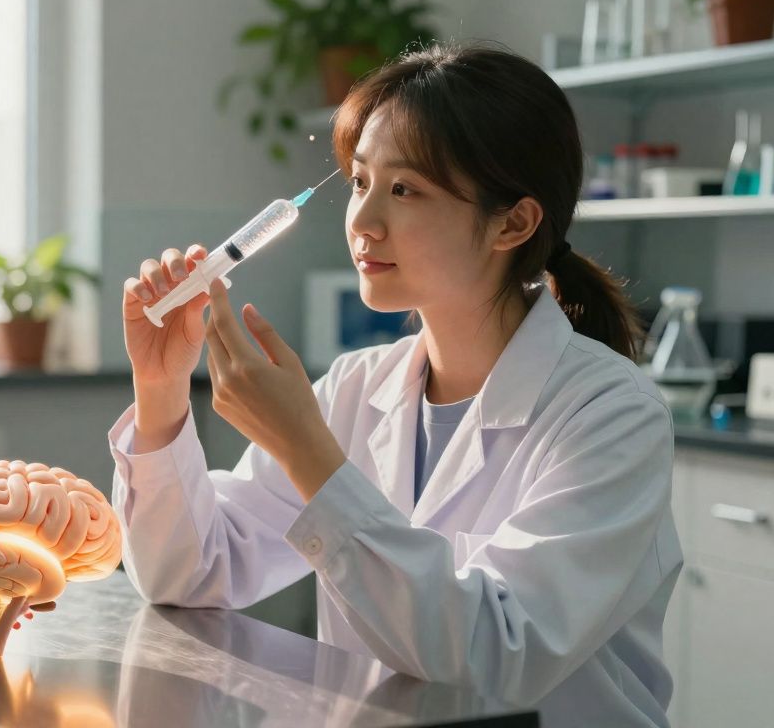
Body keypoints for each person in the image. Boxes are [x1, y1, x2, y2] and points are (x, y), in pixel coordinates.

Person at [108, 42, 681, 726]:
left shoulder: (611, 415)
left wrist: (307, 452)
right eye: (359, 183)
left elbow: (496, 656)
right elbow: (190, 576)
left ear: (514, 222)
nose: (363, 222)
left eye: (404, 189)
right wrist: (162, 389)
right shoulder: (357, 387)